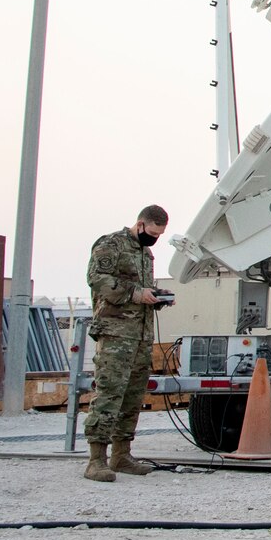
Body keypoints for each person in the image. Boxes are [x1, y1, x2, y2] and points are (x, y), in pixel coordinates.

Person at [82, 206, 168, 482]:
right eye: (152, 233)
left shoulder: (146, 253)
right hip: (116, 333)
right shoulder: (111, 244)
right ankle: (96, 460)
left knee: (132, 397)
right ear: (140, 224)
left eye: (159, 235)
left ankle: (121, 455)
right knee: (109, 394)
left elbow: (141, 291)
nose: (154, 238)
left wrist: (156, 297)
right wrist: (136, 293)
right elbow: (98, 280)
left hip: (141, 335)